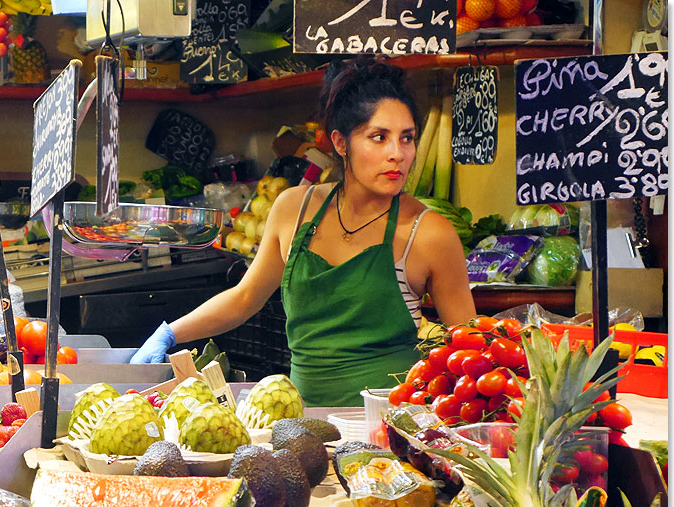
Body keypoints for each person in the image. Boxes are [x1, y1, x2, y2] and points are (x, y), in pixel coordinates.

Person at [131, 60, 476, 406]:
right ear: (341, 143)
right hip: (301, 428)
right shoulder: (294, 209)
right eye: (378, 137)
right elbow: (245, 297)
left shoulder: (429, 233)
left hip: (389, 430)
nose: (397, 154)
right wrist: (171, 332)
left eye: (407, 138)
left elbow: (471, 349)